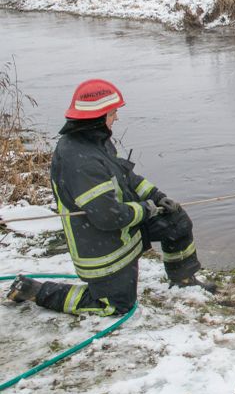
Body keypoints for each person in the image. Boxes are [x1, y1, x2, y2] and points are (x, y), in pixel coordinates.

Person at [6, 79, 214, 316]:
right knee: (116, 306)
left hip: (124, 231)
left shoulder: (96, 141)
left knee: (176, 221)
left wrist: (157, 197)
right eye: (113, 113)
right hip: (102, 249)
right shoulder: (79, 160)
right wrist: (146, 209)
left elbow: (126, 178)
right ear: (99, 116)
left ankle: (183, 281)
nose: (116, 118)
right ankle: (36, 291)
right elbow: (108, 217)